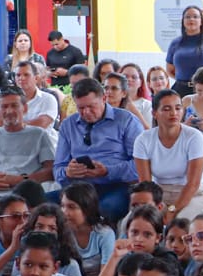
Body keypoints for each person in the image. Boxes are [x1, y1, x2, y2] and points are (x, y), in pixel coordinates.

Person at [55, 78, 145, 224]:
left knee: (104, 209)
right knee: (42, 204)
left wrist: (108, 171)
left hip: (116, 186)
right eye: (81, 108)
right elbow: (58, 168)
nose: (86, 112)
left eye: (91, 106)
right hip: (78, 188)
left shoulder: (126, 120)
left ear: (104, 98)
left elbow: (140, 166)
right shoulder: (68, 125)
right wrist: (67, 172)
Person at [0, 88, 55, 222]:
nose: (9, 111)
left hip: (25, 197)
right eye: (4, 106)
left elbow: (50, 170)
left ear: (24, 108)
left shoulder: (38, 135)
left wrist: (17, 180)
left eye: (14, 106)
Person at [133, 90, 203, 221]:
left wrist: (172, 210)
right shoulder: (143, 139)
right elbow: (145, 184)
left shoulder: (194, 137)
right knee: (133, 223)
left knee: (182, 223)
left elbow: (193, 184)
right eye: (166, 109)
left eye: (178, 108)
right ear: (154, 113)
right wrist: (154, 207)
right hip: (158, 195)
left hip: (191, 195)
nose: (174, 113)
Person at [165, 6, 203, 95]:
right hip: (180, 91)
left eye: (195, 17)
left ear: (201, 21)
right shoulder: (175, 43)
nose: (191, 19)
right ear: (183, 21)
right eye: (188, 17)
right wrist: (185, 82)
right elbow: (170, 70)